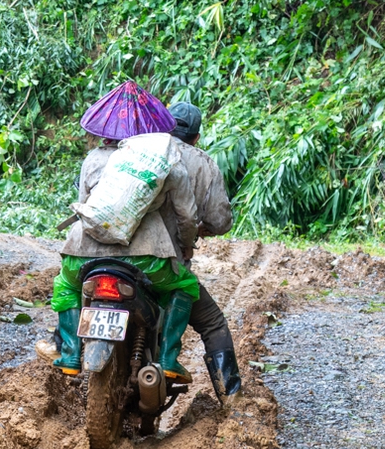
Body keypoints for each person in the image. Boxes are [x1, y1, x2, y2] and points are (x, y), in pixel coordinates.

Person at [42, 82, 201, 384]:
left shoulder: (93, 159)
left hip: (82, 254)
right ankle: (168, 359)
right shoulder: (167, 162)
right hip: (145, 258)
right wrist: (186, 245)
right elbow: (187, 216)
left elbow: (86, 205)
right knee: (185, 285)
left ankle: (70, 354)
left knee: (65, 286)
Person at [164, 100, 242, 404]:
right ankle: (231, 400)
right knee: (212, 322)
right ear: (196, 137)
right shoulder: (203, 164)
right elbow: (220, 220)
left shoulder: (139, 149)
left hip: (116, 258)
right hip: (168, 264)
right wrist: (200, 229)